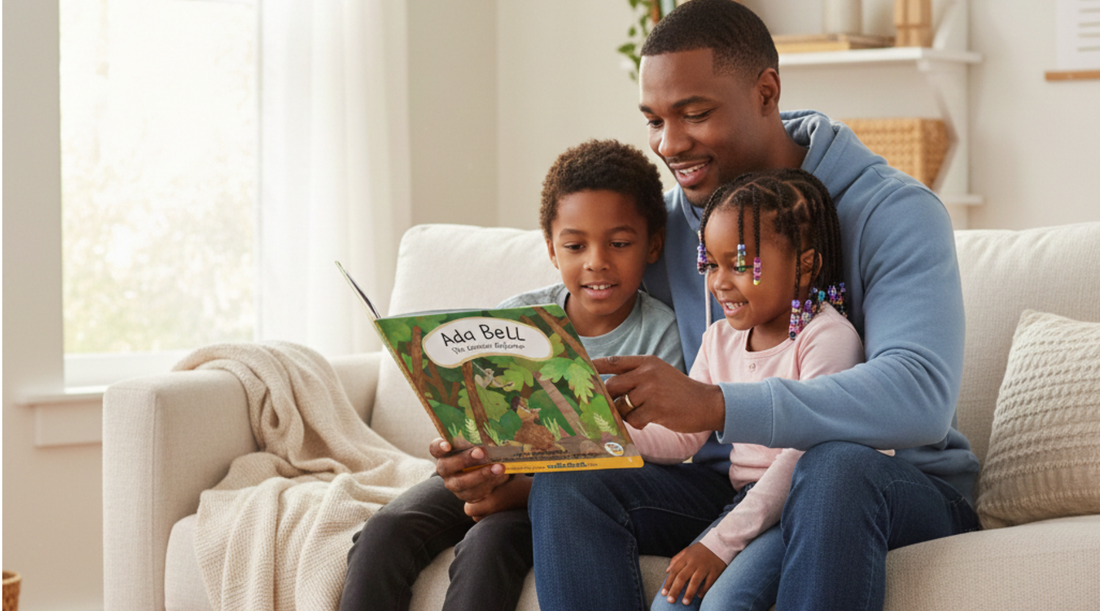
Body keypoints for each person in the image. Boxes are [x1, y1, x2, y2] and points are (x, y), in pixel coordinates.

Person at [524, 1, 982, 610]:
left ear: (766, 91)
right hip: (725, 482)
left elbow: (920, 396)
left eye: (694, 114)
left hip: (887, 483)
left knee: (835, 467)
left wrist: (714, 404)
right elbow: (574, 303)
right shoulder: (659, 227)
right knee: (569, 489)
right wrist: (520, 447)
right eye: (654, 120)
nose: (670, 143)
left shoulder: (894, 212)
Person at [338, 138, 684, 611]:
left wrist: (510, 493)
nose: (596, 261)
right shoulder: (512, 319)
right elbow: (475, 414)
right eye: (575, 245)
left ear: (653, 244)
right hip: (496, 474)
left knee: (488, 546)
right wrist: (458, 460)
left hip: (557, 495)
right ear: (551, 249)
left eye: (619, 243)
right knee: (385, 529)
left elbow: (653, 460)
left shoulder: (662, 336)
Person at [637, 169, 877, 611]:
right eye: (711, 263)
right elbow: (680, 439)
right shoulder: (718, 339)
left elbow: (803, 456)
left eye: (741, 265)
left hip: (801, 506)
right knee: (669, 607)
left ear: (806, 264)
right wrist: (614, 429)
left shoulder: (827, 338)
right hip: (745, 503)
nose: (719, 282)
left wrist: (719, 544)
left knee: (723, 605)